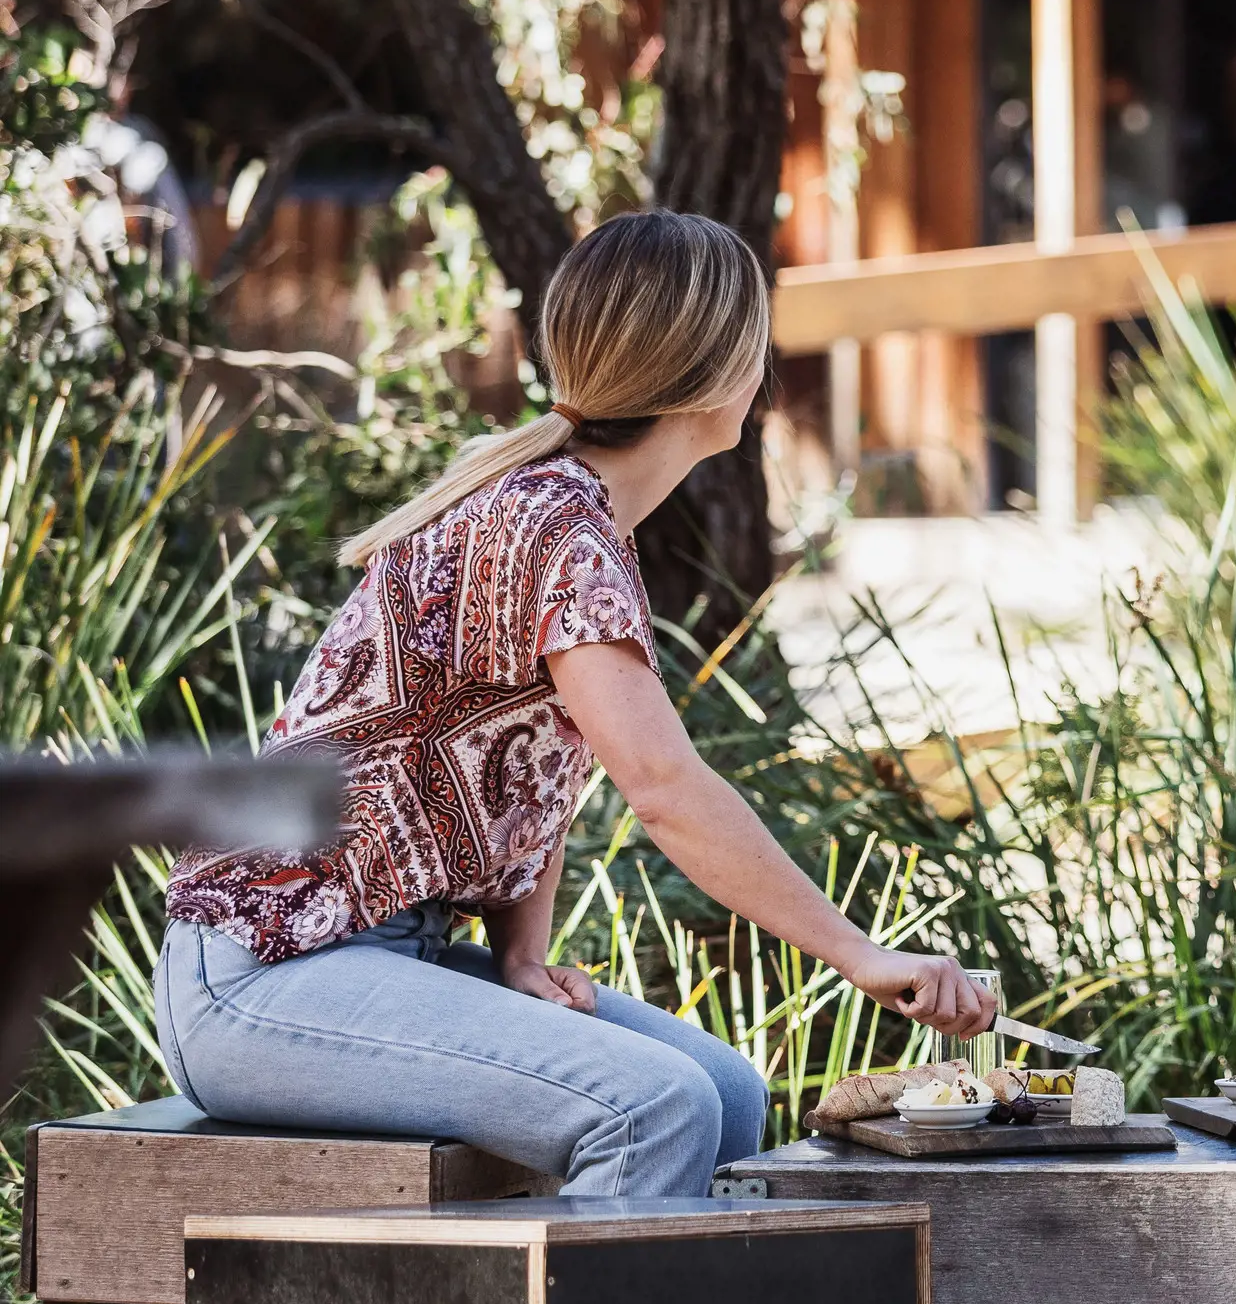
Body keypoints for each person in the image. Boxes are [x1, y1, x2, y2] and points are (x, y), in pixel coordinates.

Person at [157, 211, 998, 1196]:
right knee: (657, 1112)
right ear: (719, 373)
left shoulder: (564, 509)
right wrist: (857, 953)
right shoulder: (552, 522)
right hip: (260, 974)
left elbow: (525, 764)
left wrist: (521, 954)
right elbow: (664, 788)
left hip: (378, 953)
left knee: (727, 1093)